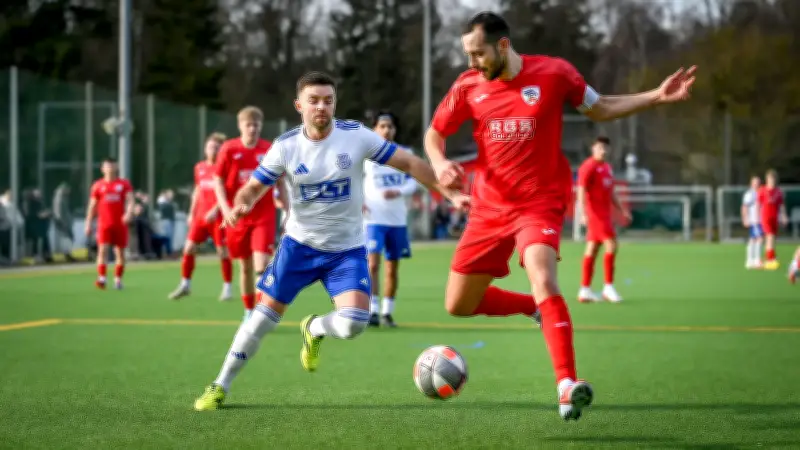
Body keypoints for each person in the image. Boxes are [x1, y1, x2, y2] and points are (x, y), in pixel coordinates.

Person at [423, 11, 696, 421]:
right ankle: (532, 307)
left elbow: (600, 107)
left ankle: (567, 386)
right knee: (458, 304)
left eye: (477, 53)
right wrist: (440, 162)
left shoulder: (554, 73)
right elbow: (434, 133)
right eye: (467, 54)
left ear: (502, 45)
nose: (471, 63)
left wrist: (656, 96)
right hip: (488, 207)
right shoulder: (468, 86)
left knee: (543, 274)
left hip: (540, 202)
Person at [193, 71, 468, 411]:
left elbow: (410, 163)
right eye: (313, 101)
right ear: (299, 106)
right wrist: (242, 202)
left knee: (354, 322)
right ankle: (220, 385)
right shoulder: (287, 145)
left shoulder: (356, 136)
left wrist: (449, 194)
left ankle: (315, 328)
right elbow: (255, 185)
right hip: (298, 247)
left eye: (327, 100)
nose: (321, 107)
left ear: (335, 103)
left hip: (346, 251)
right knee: (261, 320)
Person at [213, 107, 287, 320]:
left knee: (261, 265)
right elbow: (218, 181)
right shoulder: (228, 149)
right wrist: (226, 209)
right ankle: (248, 311)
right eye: (249, 125)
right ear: (240, 126)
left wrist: (287, 209)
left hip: (263, 214)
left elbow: (280, 181)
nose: (253, 129)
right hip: (237, 217)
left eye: (256, 125)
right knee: (244, 267)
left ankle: (260, 312)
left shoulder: (268, 149)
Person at [363, 110, 418, 327]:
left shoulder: (405, 153)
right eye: (382, 126)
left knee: (392, 267)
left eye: (390, 126)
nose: (387, 130)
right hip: (373, 219)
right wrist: (359, 201)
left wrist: (399, 191)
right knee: (373, 265)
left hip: (397, 220)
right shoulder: (366, 155)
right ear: (375, 129)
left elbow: (414, 182)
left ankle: (388, 312)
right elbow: (354, 180)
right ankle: (373, 310)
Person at [169, 133, 233, 301]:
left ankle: (227, 287)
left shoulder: (225, 168)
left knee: (222, 251)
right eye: (210, 146)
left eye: (216, 147)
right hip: (200, 217)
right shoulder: (199, 167)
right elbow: (197, 190)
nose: (212, 150)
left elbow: (228, 192)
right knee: (188, 249)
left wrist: (216, 209)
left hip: (219, 218)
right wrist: (191, 212)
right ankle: (185, 284)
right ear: (205, 149)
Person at [576, 136, 631, 303]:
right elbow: (581, 190)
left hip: (604, 214)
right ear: (593, 149)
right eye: (599, 147)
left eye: (605, 147)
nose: (603, 150)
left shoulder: (607, 167)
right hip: (595, 215)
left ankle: (584, 290)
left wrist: (622, 209)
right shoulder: (588, 166)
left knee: (592, 249)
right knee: (611, 244)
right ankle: (608, 287)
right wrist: (583, 214)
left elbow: (611, 191)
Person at [85, 158, 134, 289]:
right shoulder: (98, 185)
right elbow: (92, 205)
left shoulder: (123, 184)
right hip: (104, 224)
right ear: (102, 169)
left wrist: (129, 213)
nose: (110, 168)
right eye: (107, 166)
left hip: (120, 224)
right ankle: (102, 278)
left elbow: (130, 200)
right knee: (102, 250)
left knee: (120, 253)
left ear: (116, 167)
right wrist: (88, 223)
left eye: (112, 166)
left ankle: (118, 280)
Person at [759, 169, 788, 270]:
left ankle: (770, 257)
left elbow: (781, 205)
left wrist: (784, 216)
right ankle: (770, 259)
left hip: (774, 217)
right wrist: (758, 217)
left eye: (773, 179)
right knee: (770, 236)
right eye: (769, 179)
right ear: (767, 179)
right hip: (766, 217)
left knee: (772, 238)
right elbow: (759, 204)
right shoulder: (762, 190)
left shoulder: (778, 192)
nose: (771, 181)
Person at [741, 176, 763, 269]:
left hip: (759, 220)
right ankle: (756, 260)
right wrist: (745, 219)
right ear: (751, 184)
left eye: (758, 182)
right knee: (759, 238)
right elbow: (744, 207)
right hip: (754, 220)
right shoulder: (750, 194)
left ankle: (750, 261)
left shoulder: (760, 192)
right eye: (754, 183)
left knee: (753, 239)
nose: (756, 184)